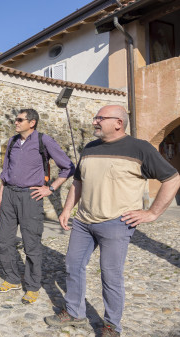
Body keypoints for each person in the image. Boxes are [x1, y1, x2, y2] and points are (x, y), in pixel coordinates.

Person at [44, 105, 180, 336]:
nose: (94, 121)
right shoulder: (89, 148)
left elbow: (172, 178)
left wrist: (152, 213)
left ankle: (111, 326)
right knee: (72, 266)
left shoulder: (140, 148)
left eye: (100, 118)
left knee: (110, 275)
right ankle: (75, 313)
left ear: (118, 122)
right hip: (83, 221)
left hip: (116, 223)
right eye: (95, 117)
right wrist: (67, 210)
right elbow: (78, 182)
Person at [0, 108, 75, 304]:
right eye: (16, 119)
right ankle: (12, 279)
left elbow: (68, 167)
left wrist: (51, 188)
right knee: (4, 241)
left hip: (30, 197)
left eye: (20, 119)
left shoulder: (43, 141)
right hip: (9, 196)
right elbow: (5, 172)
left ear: (32, 123)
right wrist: (0, 197)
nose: (16, 122)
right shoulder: (12, 141)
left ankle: (32, 287)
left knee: (31, 244)